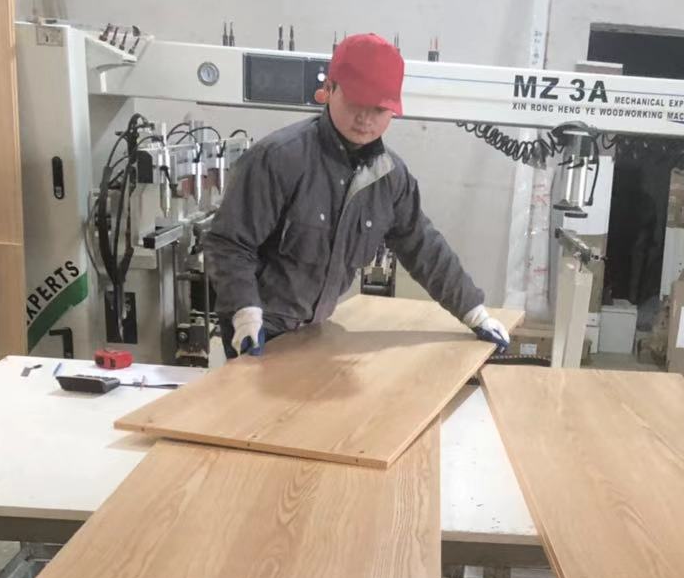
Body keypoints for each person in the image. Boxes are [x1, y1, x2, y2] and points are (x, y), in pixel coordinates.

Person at [205, 33, 510, 359]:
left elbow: (423, 247)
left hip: (313, 333)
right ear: (329, 90)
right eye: (355, 104)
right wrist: (244, 312)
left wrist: (474, 312)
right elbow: (230, 244)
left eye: (378, 109)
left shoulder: (390, 177)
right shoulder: (279, 159)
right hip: (258, 330)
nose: (365, 119)